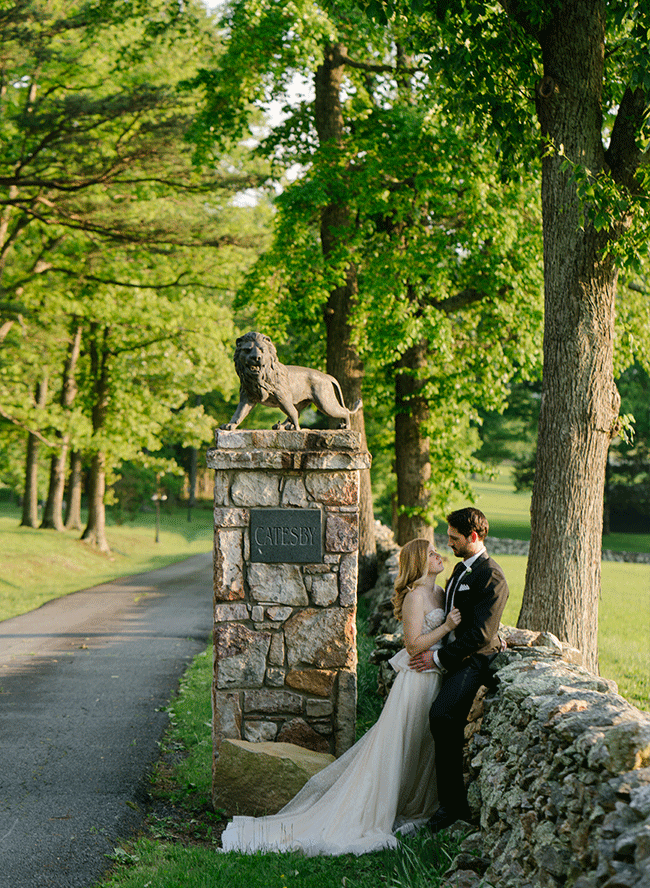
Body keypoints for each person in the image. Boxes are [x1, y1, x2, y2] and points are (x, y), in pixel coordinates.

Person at [220, 538, 461, 856]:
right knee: (398, 745)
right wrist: (445, 627)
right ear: (418, 561)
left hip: (435, 680)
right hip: (415, 682)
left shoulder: (441, 593)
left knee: (422, 745)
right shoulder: (416, 597)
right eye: (431, 553)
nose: (438, 555)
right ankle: (372, 812)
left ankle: (416, 805)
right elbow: (414, 645)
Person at [410, 507, 509, 835]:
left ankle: (452, 806)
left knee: (442, 716)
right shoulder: (460, 571)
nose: (448, 543)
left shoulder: (491, 576)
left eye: (454, 538)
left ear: (474, 537)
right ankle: (447, 801)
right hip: (455, 656)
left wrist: (438, 660)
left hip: (474, 661)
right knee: (437, 720)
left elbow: (481, 634)